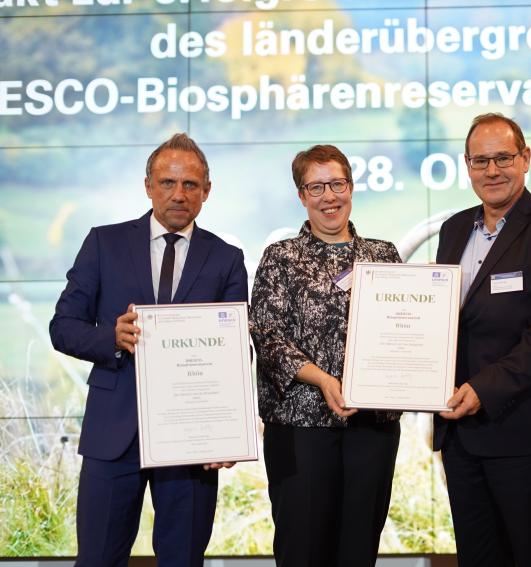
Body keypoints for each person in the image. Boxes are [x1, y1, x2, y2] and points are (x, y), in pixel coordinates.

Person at [49, 133, 249, 566]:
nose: (179, 194)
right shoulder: (104, 242)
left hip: (193, 443)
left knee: (183, 560)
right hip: (113, 433)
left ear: (207, 191)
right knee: (98, 558)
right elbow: (62, 327)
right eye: (167, 182)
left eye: (191, 185)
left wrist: (229, 432)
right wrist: (111, 338)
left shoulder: (227, 258)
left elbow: (237, 354)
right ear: (148, 185)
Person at [433, 113, 531, 566]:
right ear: (466, 165)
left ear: (525, 160)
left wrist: (484, 389)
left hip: (521, 432)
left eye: (503, 158)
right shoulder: (454, 229)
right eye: (481, 160)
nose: (492, 170)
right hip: (460, 434)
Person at [249, 144, 402, 567]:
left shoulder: (383, 254)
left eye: (337, 184)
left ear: (351, 187)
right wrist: (322, 379)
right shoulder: (280, 258)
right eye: (316, 187)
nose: (329, 196)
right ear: (301, 195)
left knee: (358, 549)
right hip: (301, 430)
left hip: (372, 428)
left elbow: (406, 329)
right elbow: (266, 335)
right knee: (303, 549)